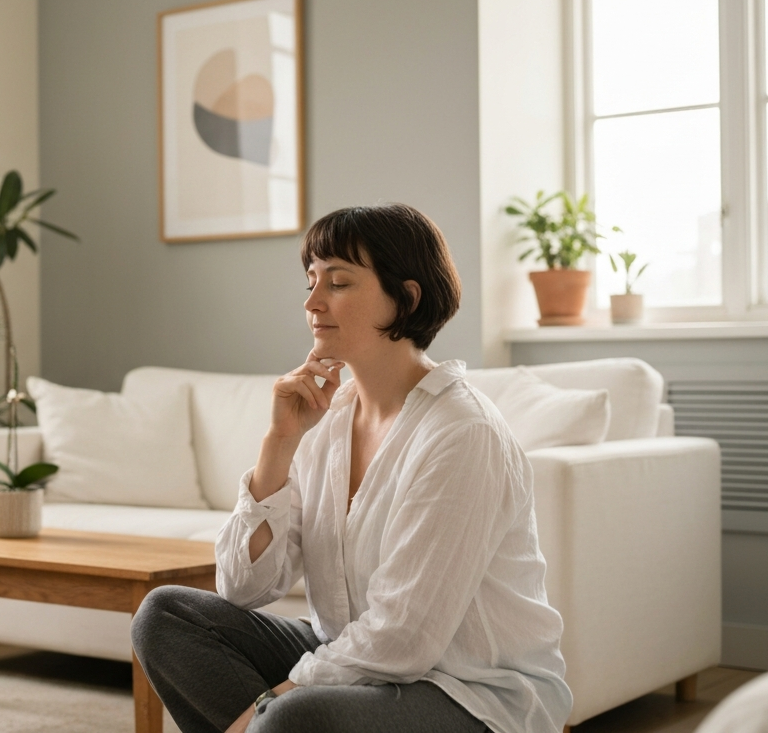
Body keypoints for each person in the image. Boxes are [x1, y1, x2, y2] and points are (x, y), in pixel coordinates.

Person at [131, 204, 572, 733]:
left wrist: (275, 700)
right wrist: (280, 443)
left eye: (337, 282)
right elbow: (244, 589)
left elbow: (406, 637)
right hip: (357, 656)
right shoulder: (329, 420)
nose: (312, 302)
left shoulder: (461, 432)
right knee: (165, 617)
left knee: (294, 718)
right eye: (311, 280)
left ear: (406, 298)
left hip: (471, 691)